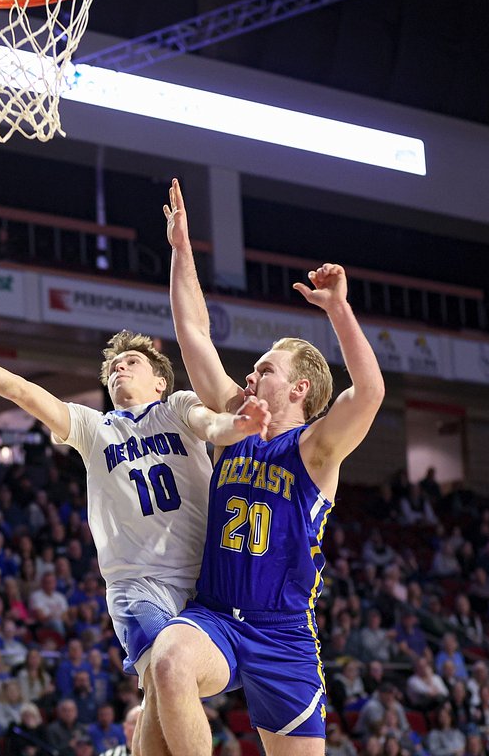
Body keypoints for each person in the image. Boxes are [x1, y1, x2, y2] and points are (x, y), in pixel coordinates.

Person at [0, 282, 268, 750]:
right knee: (164, 671)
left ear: (160, 381)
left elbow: (211, 424)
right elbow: (18, 389)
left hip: (205, 580)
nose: (118, 368)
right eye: (112, 367)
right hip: (139, 587)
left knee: (162, 694)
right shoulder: (94, 427)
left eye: (130, 362)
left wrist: (238, 425)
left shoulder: (176, 407)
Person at [152, 178, 384, 755]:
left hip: (282, 635)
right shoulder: (233, 420)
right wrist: (182, 249)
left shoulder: (316, 448)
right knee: (169, 660)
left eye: (264, 370)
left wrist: (339, 310)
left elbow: (370, 392)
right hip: (216, 617)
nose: (250, 376)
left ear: (300, 389)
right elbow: (193, 332)